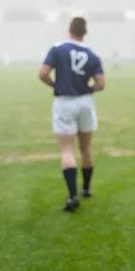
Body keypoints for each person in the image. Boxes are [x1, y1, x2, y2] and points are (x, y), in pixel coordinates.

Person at [38, 17, 105, 212]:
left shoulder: (58, 48)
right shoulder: (92, 53)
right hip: (85, 101)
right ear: (85, 32)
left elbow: (43, 73)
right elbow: (101, 84)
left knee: (67, 150)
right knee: (86, 148)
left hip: (64, 101)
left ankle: (72, 196)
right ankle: (86, 188)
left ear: (69, 30)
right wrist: (89, 88)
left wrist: (54, 84)